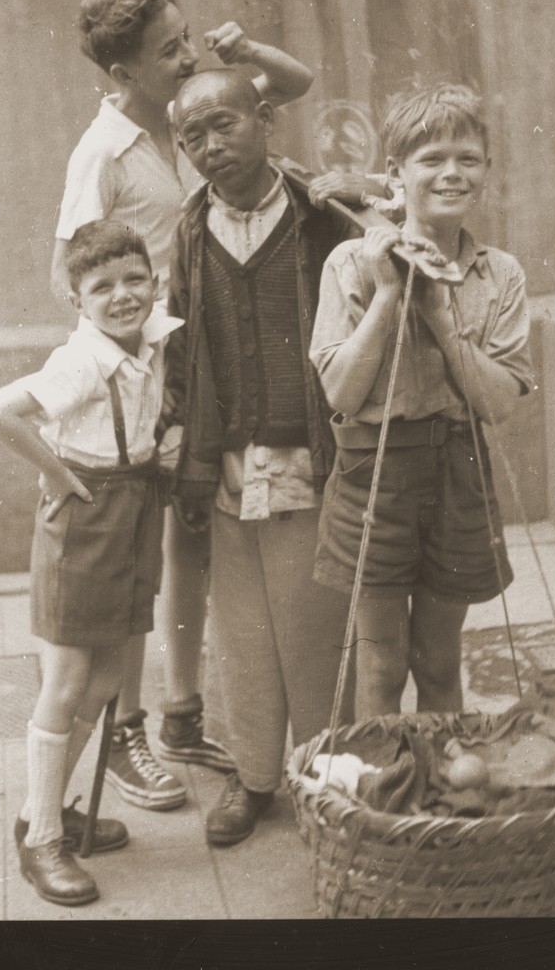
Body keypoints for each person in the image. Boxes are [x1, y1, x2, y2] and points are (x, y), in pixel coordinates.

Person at [51, 0, 315, 812]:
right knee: (142, 553)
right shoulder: (103, 151)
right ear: (123, 72)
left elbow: (294, 85)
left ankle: (181, 708)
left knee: (192, 541)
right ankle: (128, 727)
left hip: (204, 356)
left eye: (187, 37)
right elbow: (70, 272)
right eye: (168, 50)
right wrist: (122, 366)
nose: (189, 54)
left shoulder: (197, 108)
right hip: (144, 372)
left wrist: (242, 53)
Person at [164, 69, 355, 847]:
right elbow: (180, 345)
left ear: (266, 119)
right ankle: (254, 781)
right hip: (226, 465)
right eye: (192, 138)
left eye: (224, 126)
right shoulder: (188, 230)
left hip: (312, 458)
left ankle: (328, 780)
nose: (211, 148)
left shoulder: (321, 218)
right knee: (241, 637)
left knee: (315, 631)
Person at [309, 82, 533, 720]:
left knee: (439, 660)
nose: (452, 173)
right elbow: (342, 393)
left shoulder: (500, 274)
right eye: (431, 158)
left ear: (485, 171)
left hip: (459, 468)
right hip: (373, 475)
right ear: (394, 176)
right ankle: (384, 804)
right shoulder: (351, 263)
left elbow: (497, 403)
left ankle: (439, 807)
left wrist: (436, 310)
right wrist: (388, 294)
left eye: (468, 158)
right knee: (381, 664)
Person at [0, 222, 182, 906]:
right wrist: (59, 474)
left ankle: (48, 806)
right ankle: (40, 844)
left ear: (152, 280)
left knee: (107, 678)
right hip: (85, 520)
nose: (122, 296)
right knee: (67, 679)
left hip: (133, 510)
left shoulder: (151, 339)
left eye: (134, 280)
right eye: (102, 287)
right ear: (76, 299)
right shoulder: (81, 361)